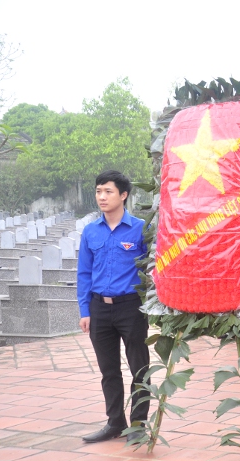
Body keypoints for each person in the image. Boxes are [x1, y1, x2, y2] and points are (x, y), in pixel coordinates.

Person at [78, 170, 149, 443]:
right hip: (99, 308)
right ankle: (114, 423)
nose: (102, 197)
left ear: (123, 195)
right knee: (108, 370)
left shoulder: (140, 228)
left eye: (108, 191)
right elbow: (84, 273)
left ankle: (139, 425)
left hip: (131, 307)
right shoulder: (90, 231)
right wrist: (85, 310)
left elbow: (153, 268)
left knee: (139, 368)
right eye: (98, 191)